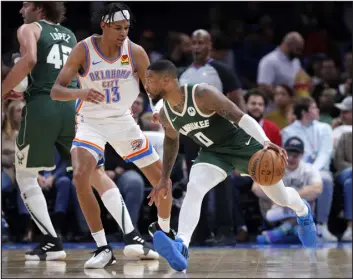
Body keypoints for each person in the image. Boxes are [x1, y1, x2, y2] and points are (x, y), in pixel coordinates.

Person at [145, 60, 316, 271]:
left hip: (243, 146)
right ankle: (181, 245)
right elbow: (171, 141)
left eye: (150, 80)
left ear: (166, 80)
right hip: (213, 153)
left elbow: (241, 118)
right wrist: (164, 178)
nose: (146, 85)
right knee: (195, 188)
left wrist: (264, 141)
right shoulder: (165, 113)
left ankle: (302, 211)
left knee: (280, 198)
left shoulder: (202, 94)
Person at [50, 3, 173, 268]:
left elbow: (154, 90)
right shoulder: (84, 49)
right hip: (90, 123)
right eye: (118, 28)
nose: (123, 33)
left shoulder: (135, 52)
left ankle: (165, 233)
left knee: (163, 181)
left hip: (122, 122)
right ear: (104, 25)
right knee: (81, 176)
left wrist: (158, 110)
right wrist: (80, 93)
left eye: (127, 28)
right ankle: (103, 247)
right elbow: (56, 90)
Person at [1, 2, 77, 261]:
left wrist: (3, 91)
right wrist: (20, 87)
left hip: (42, 107)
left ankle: (51, 241)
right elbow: (51, 71)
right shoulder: (69, 35)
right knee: (90, 173)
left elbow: (31, 60)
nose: (21, 10)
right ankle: (129, 236)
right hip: (70, 106)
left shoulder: (28, 28)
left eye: (25, 5)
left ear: (40, 9)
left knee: (25, 176)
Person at [282, 96, 337, 242]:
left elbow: (326, 152)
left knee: (325, 179)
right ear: (305, 112)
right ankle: (292, 226)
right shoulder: (288, 131)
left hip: (319, 169)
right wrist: (306, 170)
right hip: (298, 169)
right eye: (314, 107)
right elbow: (296, 155)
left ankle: (322, 225)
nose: (317, 110)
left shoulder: (325, 128)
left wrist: (313, 170)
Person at [253, 137, 322, 244]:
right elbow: (256, 187)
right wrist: (278, 198)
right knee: (264, 197)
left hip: (297, 210)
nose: (291, 158)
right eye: (289, 153)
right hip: (276, 209)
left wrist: (287, 199)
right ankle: (290, 231)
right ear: (283, 151)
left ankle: (282, 231)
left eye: (295, 155)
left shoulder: (308, 169)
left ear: (302, 154)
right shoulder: (273, 165)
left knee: (307, 202)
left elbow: (317, 189)